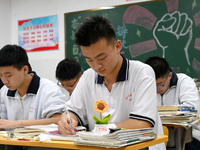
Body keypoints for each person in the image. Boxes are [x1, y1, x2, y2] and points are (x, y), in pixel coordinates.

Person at [58, 15, 165, 149]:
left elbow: (141, 124)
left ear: (117, 46)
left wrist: (100, 131)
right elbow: (72, 110)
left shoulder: (141, 73)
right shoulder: (88, 77)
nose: (97, 66)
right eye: (89, 60)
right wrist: (67, 121)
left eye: (101, 57)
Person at [0, 44, 66, 129]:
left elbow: (58, 120)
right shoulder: (4, 91)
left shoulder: (48, 89)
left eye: (9, 76)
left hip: (40, 141)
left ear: (25, 70)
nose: (4, 81)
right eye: (0, 75)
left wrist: (18, 124)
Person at [145, 56, 200, 150]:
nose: (156, 89)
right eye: (152, 84)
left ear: (169, 76)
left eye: (160, 84)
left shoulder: (184, 82)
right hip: (153, 135)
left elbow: (192, 110)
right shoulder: (144, 85)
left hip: (187, 136)